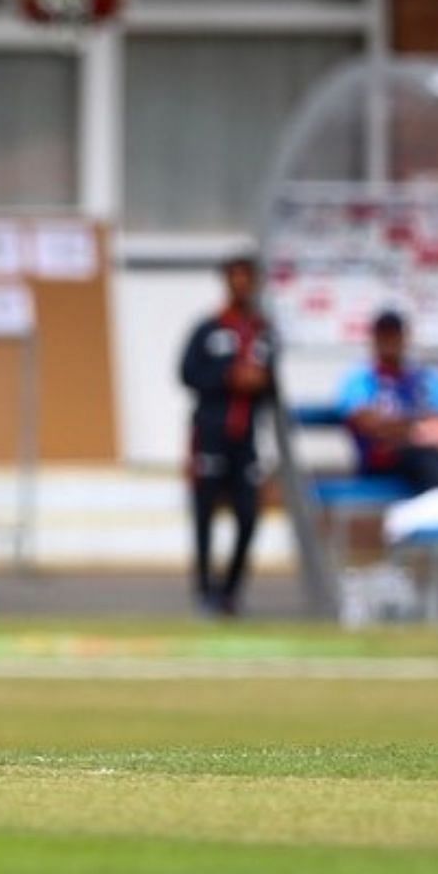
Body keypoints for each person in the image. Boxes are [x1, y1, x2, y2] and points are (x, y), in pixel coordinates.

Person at [179, 254, 276, 615]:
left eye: (246, 276)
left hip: (246, 438)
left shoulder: (263, 332)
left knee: (249, 515)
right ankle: (205, 591)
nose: (241, 283)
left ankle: (231, 591)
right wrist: (227, 378)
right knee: (204, 514)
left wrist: (261, 384)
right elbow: (187, 375)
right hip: (210, 433)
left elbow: (273, 388)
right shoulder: (208, 329)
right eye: (234, 276)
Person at [337, 311, 438, 501]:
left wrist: (404, 427)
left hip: (433, 450)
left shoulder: (428, 377)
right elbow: (369, 424)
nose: (389, 341)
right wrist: (420, 427)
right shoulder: (360, 378)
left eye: (394, 335)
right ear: (374, 339)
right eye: (384, 335)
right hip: (385, 459)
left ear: (405, 337)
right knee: (430, 461)